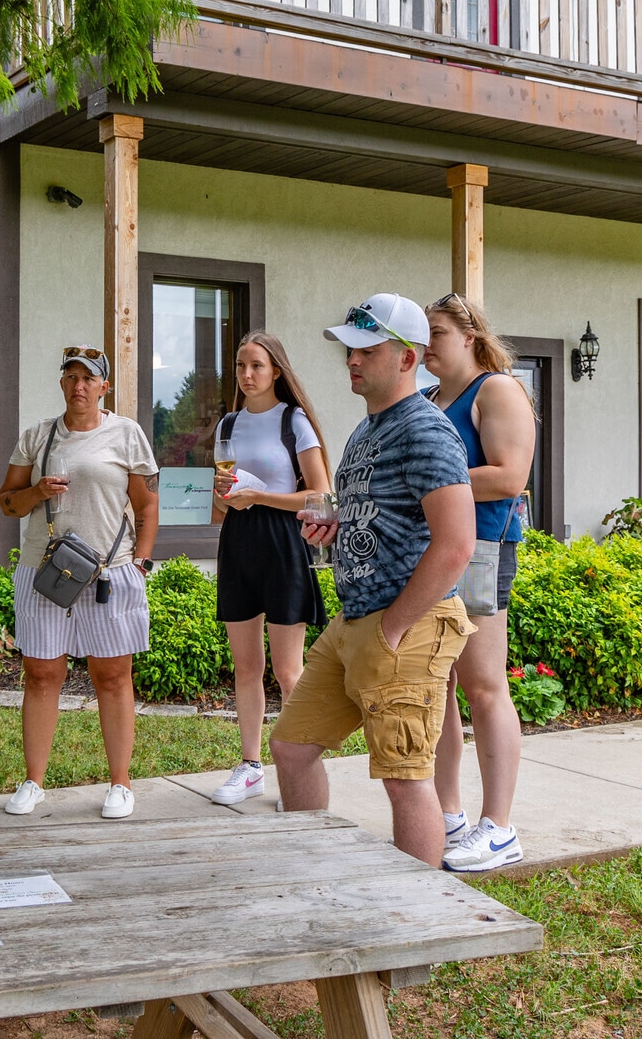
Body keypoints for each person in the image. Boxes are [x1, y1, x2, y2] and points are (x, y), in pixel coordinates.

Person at [272, 293, 476, 866]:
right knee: (291, 748)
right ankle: (315, 877)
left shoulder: (426, 432)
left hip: (404, 623)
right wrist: (338, 524)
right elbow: (388, 514)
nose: (352, 360)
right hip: (354, 620)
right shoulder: (366, 433)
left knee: (406, 779)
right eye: (349, 348)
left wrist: (394, 627)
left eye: (367, 348)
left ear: (408, 358)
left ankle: (417, 927)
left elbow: (456, 543)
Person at [0, 347, 160, 820]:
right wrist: (37, 492)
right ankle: (33, 781)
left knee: (112, 677)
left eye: (89, 378)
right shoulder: (38, 436)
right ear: (62, 383)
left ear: (104, 387)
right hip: (43, 570)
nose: (79, 386)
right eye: (71, 376)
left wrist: (142, 564)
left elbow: (147, 508)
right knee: (42, 674)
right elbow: (8, 502)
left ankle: (120, 784)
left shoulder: (126, 434)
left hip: (110, 574)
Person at [423, 293, 536, 873]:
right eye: (422, 335)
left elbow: (510, 476)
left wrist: (426, 480)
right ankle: (449, 815)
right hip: (427, 557)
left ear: (469, 336)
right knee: (437, 684)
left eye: (437, 333)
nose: (426, 346)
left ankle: (500, 828)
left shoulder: (496, 390)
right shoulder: (423, 400)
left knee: (484, 686)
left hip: (482, 552)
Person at [205, 331, 331, 806]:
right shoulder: (228, 425)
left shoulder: (294, 421)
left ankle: (298, 773)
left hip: (283, 545)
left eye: (256, 365)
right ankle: (250, 766)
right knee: (246, 668)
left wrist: (260, 496)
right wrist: (224, 498)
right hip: (238, 542)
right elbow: (222, 506)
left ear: (276, 370)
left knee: (288, 670)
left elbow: (320, 494)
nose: (246, 374)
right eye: (240, 365)